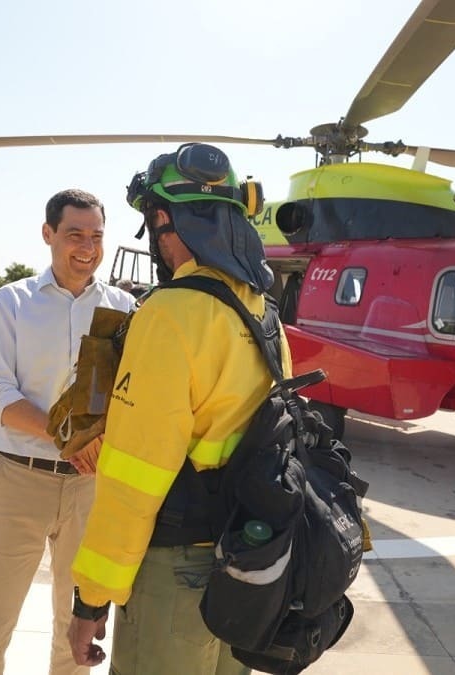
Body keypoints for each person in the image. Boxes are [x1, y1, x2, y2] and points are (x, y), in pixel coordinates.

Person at [67, 144, 289, 674]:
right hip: (247, 566)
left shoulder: (170, 314)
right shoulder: (265, 314)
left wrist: (91, 600)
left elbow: (134, 477)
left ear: (165, 219)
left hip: (177, 570)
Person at [0, 189, 134, 675]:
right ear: (48, 235)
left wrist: (98, 443)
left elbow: (131, 395)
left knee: (75, 635)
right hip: (18, 482)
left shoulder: (123, 308)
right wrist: (68, 438)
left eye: (96, 236)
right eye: (74, 234)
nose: (87, 246)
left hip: (90, 487)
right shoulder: (14, 302)